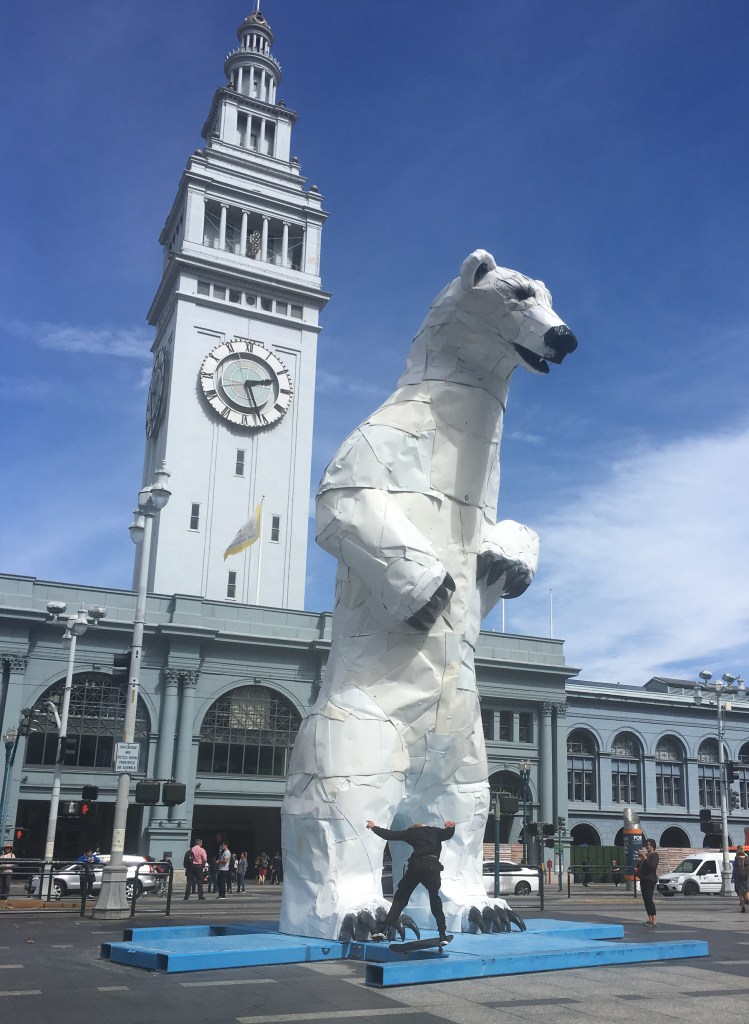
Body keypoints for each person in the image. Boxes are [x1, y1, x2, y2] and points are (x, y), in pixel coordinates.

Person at [366, 818, 455, 942]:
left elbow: (390, 835)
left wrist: (373, 827)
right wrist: (451, 827)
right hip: (432, 867)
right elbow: (448, 834)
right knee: (435, 899)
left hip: (416, 866)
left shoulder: (412, 832)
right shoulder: (435, 831)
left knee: (401, 897)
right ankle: (442, 935)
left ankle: (383, 930)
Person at [636, 838, 659, 927]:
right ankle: (649, 919)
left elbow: (651, 866)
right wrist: (640, 859)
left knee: (649, 899)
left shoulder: (655, 855)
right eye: (646, 845)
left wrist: (645, 858)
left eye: (649, 845)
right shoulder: (646, 855)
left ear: (653, 846)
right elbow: (639, 866)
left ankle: (654, 920)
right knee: (645, 899)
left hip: (650, 879)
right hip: (643, 878)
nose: (647, 846)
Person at [731, 844, 749, 913]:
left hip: (738, 877)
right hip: (746, 877)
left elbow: (735, 869)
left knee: (740, 893)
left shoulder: (737, 858)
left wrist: (733, 878)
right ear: (743, 849)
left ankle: (743, 908)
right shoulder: (747, 857)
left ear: (738, 850)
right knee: (747, 891)